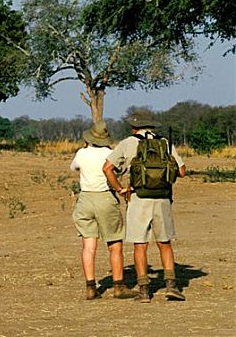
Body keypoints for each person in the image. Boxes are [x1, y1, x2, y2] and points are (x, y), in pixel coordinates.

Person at [103, 112, 186, 303]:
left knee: (140, 245)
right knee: (164, 243)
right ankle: (171, 286)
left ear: (134, 127)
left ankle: (144, 291)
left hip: (138, 197)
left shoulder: (127, 143)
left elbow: (107, 167)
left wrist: (119, 189)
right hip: (163, 199)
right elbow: (181, 172)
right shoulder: (165, 143)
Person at [70, 121, 137, 300]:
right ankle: (118, 286)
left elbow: (74, 168)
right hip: (105, 197)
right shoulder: (110, 153)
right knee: (114, 244)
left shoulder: (81, 153)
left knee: (88, 245)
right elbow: (118, 170)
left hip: (85, 199)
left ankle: (90, 287)